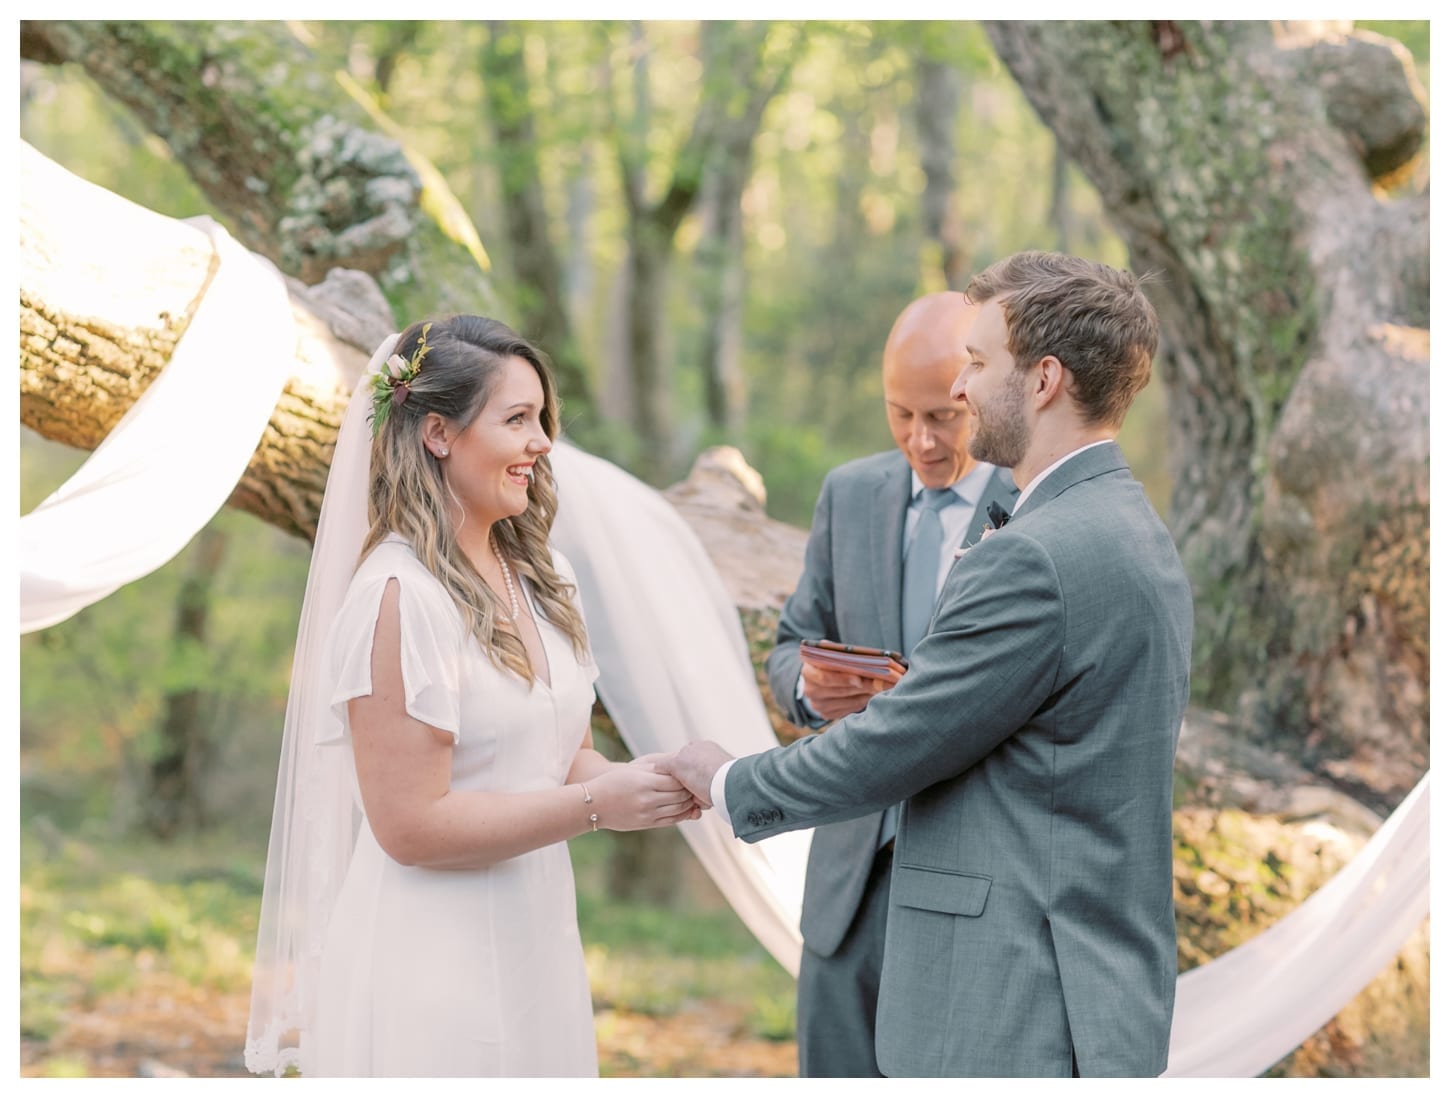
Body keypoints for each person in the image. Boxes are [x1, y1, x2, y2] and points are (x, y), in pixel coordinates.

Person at [665, 251, 1193, 1077]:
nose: (960, 389)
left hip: (1014, 1000)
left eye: (979, 364)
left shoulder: (1032, 555)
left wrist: (732, 782)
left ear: (1044, 379)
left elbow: (901, 739)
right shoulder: (1132, 527)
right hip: (1088, 987)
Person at [246, 316, 699, 1078]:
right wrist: (595, 810)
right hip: (431, 964)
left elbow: (564, 757)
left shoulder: (544, 578)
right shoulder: (398, 596)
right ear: (438, 434)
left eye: (543, 419)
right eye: (517, 419)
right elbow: (409, 824)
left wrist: (643, 781)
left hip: (537, 938)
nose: (544, 443)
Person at [766, 291, 1016, 1077]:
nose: (921, 440)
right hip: (849, 884)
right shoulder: (849, 494)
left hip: (976, 885)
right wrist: (811, 692)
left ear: (980, 390)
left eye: (943, 415)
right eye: (899, 414)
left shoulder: (1035, 507)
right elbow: (785, 648)